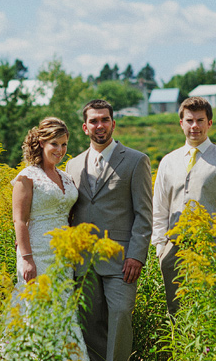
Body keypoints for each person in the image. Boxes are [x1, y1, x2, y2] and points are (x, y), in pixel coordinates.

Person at [65, 99, 153, 361]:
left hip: (122, 260)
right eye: (93, 121)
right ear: (85, 127)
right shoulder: (72, 165)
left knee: (121, 314)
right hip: (84, 261)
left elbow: (144, 213)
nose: (99, 125)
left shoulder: (136, 161)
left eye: (104, 120)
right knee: (89, 325)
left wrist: (136, 255)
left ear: (113, 123)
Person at [152, 96, 216, 315]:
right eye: (190, 120)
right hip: (174, 250)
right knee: (176, 313)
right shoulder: (168, 161)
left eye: (200, 120)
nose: (195, 126)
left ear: (209, 123)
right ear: (181, 123)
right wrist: (160, 248)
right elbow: (160, 207)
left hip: (213, 250)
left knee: (213, 311)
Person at [10, 117, 88, 360]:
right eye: (55, 144)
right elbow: (19, 220)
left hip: (63, 257)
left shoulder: (65, 176)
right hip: (37, 255)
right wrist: (27, 259)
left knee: (63, 311)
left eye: (64, 145)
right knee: (37, 311)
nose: (61, 150)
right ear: (41, 143)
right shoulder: (28, 176)